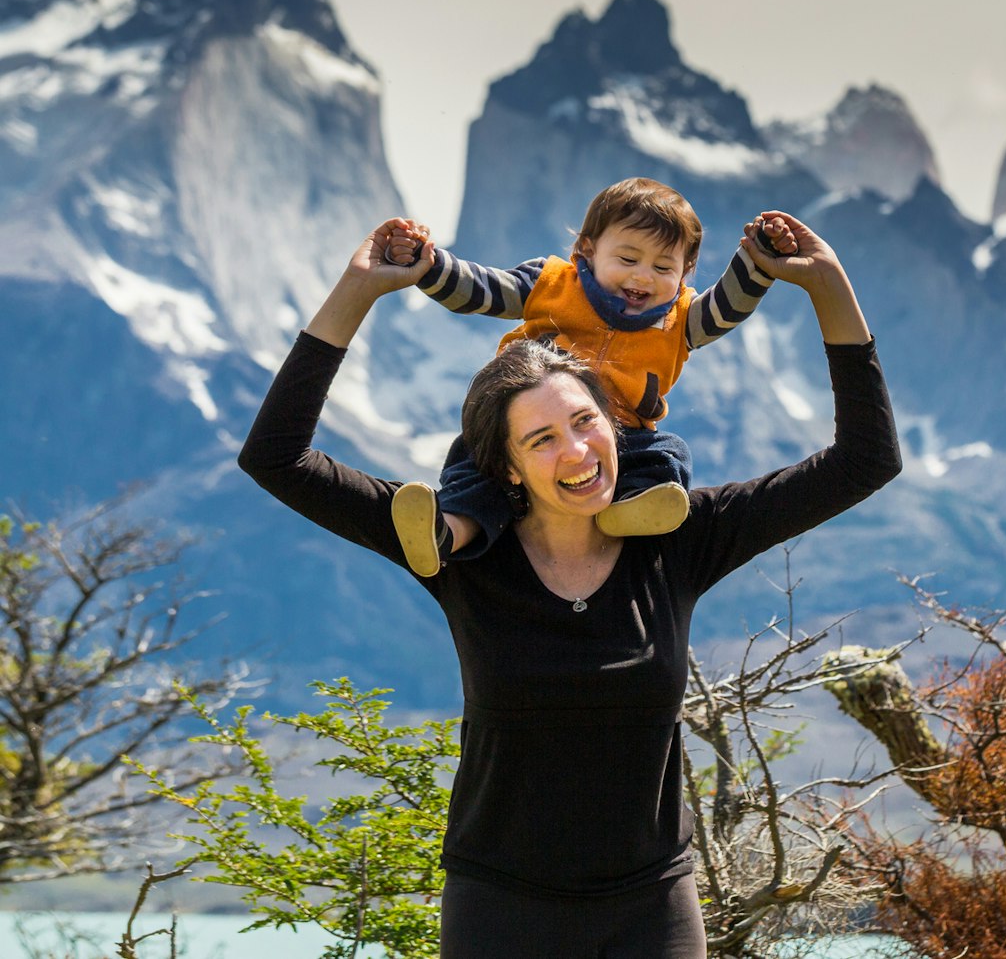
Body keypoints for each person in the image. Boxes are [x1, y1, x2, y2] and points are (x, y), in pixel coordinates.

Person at [237, 211, 899, 958]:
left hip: (652, 904)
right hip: (499, 904)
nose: (578, 451)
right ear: (509, 466)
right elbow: (276, 459)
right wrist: (358, 291)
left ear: (617, 427)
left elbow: (864, 461)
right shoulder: (456, 552)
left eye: (587, 422)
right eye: (542, 439)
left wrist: (828, 286)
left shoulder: (679, 537)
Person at [380, 177, 800, 578]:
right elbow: (482, 290)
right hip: (522, 425)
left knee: (667, 455)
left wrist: (757, 259)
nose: (642, 277)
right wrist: (429, 264)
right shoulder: (551, 283)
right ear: (587, 250)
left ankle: (630, 507)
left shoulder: (684, 318)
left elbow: (729, 307)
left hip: (619, 435)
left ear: (685, 272)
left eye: (663, 266)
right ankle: (447, 531)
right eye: (628, 259)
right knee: (477, 468)